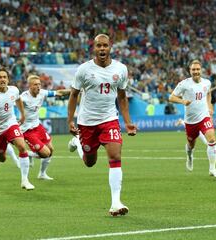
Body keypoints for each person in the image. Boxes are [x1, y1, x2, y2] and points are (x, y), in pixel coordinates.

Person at [67, 34, 137, 216]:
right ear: (94, 47)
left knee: (115, 156)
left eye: (105, 45)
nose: (102, 49)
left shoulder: (121, 69)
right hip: (87, 122)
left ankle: (115, 203)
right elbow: (73, 95)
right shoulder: (84, 70)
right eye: (99, 46)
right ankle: (78, 144)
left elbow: (122, 96)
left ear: (110, 47)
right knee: (90, 162)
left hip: (109, 120)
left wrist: (128, 122)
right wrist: (70, 120)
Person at [169, 60, 216, 178]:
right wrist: (182, 101)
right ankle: (189, 155)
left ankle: (212, 169)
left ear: (201, 70)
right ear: (190, 71)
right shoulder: (184, 84)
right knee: (191, 144)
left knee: (212, 140)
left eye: (197, 69)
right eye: (193, 70)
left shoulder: (207, 82)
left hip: (204, 117)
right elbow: (171, 97)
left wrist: (209, 107)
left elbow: (208, 94)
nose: (196, 72)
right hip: (190, 121)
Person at [20, 74, 70, 180]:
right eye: (35, 84)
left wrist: (75, 89)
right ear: (29, 86)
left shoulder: (42, 93)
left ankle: (42, 174)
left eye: (39, 84)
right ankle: (27, 154)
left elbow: (59, 92)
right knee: (45, 154)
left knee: (51, 150)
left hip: (37, 126)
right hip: (27, 130)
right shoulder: (23, 98)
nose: (38, 86)